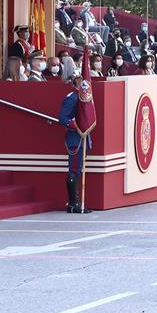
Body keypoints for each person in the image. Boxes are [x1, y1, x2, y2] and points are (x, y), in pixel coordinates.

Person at [58, 75, 96, 214]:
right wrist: (76, 126)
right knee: (74, 170)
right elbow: (63, 118)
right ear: (76, 82)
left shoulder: (82, 97)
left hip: (83, 137)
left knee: (78, 169)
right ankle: (73, 204)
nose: (85, 85)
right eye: (82, 82)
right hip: (75, 139)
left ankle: (77, 202)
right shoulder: (72, 97)